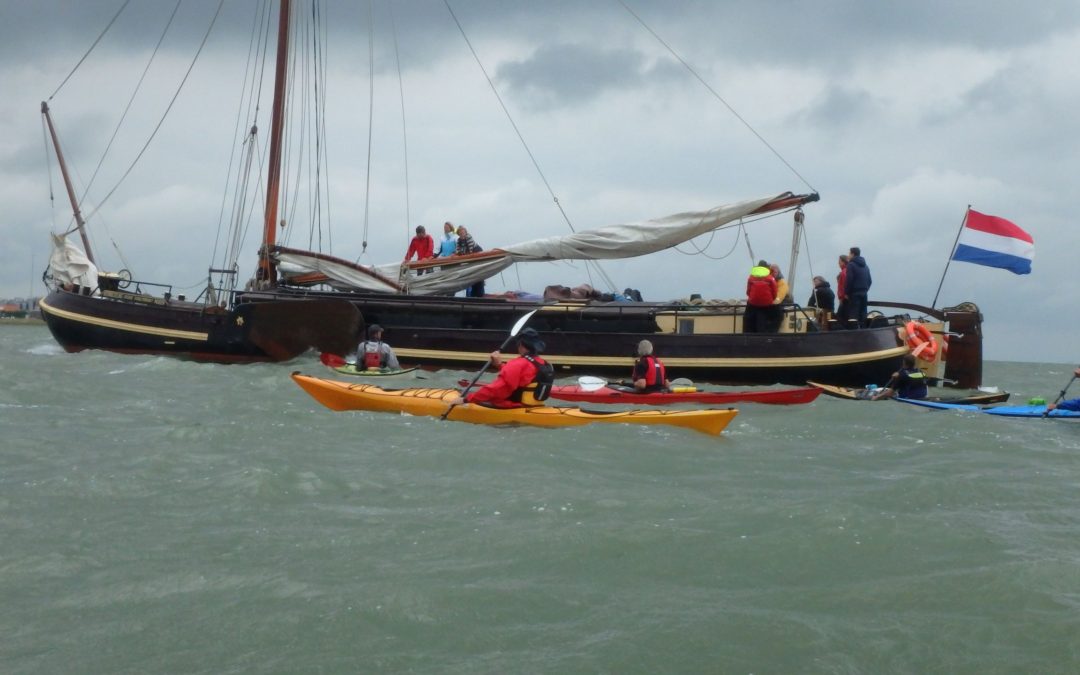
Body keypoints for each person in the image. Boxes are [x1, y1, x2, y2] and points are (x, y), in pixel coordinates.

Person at [448, 328, 554, 408]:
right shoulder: (545, 364)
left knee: (480, 396)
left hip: (512, 406)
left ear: (520, 344)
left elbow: (496, 389)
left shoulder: (517, 363)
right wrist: (499, 365)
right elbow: (522, 377)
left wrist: (466, 399)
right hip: (535, 406)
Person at [743, 261, 777, 333]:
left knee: (748, 316)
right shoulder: (770, 278)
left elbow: (748, 292)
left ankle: (747, 332)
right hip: (767, 304)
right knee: (776, 314)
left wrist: (753, 298)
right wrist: (771, 299)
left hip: (753, 303)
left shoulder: (751, 277)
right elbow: (774, 292)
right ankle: (770, 332)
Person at [845, 246, 872, 328]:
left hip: (854, 293)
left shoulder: (851, 265)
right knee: (863, 313)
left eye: (849, 253)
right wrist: (865, 289)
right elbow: (870, 280)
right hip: (864, 293)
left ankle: (854, 334)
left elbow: (849, 279)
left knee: (853, 315)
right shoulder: (865, 266)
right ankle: (864, 331)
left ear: (853, 254)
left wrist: (847, 292)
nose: (848, 255)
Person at [455, 225, 486, 297]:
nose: (462, 233)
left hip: (477, 254)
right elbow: (458, 250)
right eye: (460, 232)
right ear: (458, 234)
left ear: (465, 232)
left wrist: (463, 255)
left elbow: (471, 249)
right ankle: (472, 294)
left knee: (478, 274)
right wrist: (457, 254)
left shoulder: (468, 237)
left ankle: (480, 294)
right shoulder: (459, 240)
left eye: (463, 231)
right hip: (469, 257)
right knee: (472, 275)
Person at [766, 263, 791, 332]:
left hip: (781, 303)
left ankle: (773, 332)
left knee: (778, 315)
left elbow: (779, 297)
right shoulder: (769, 281)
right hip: (771, 304)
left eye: (775, 272)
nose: (774, 273)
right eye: (772, 272)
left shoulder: (782, 283)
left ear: (778, 272)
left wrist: (770, 303)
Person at [834, 254, 849, 328]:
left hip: (844, 298)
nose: (838, 263)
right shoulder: (844, 271)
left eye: (839, 261)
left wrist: (843, 296)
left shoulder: (844, 272)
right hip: (843, 298)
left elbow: (845, 285)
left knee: (840, 317)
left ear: (843, 262)